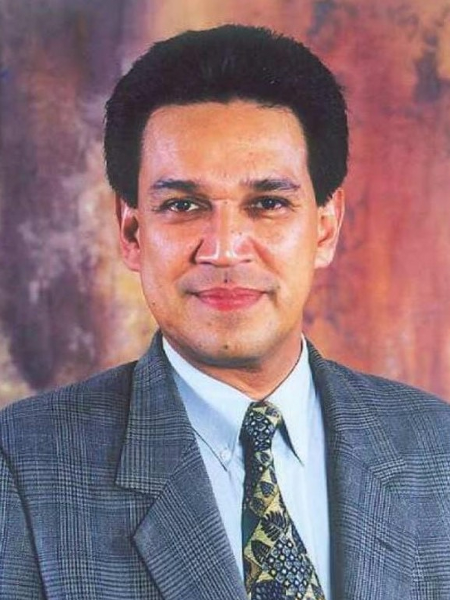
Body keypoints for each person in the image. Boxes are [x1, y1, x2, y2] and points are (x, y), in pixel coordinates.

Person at [0, 24, 449, 600]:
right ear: (132, 231)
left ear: (325, 227)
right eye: (184, 205)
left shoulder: (436, 449)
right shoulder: (23, 467)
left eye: (268, 203)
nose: (224, 249)